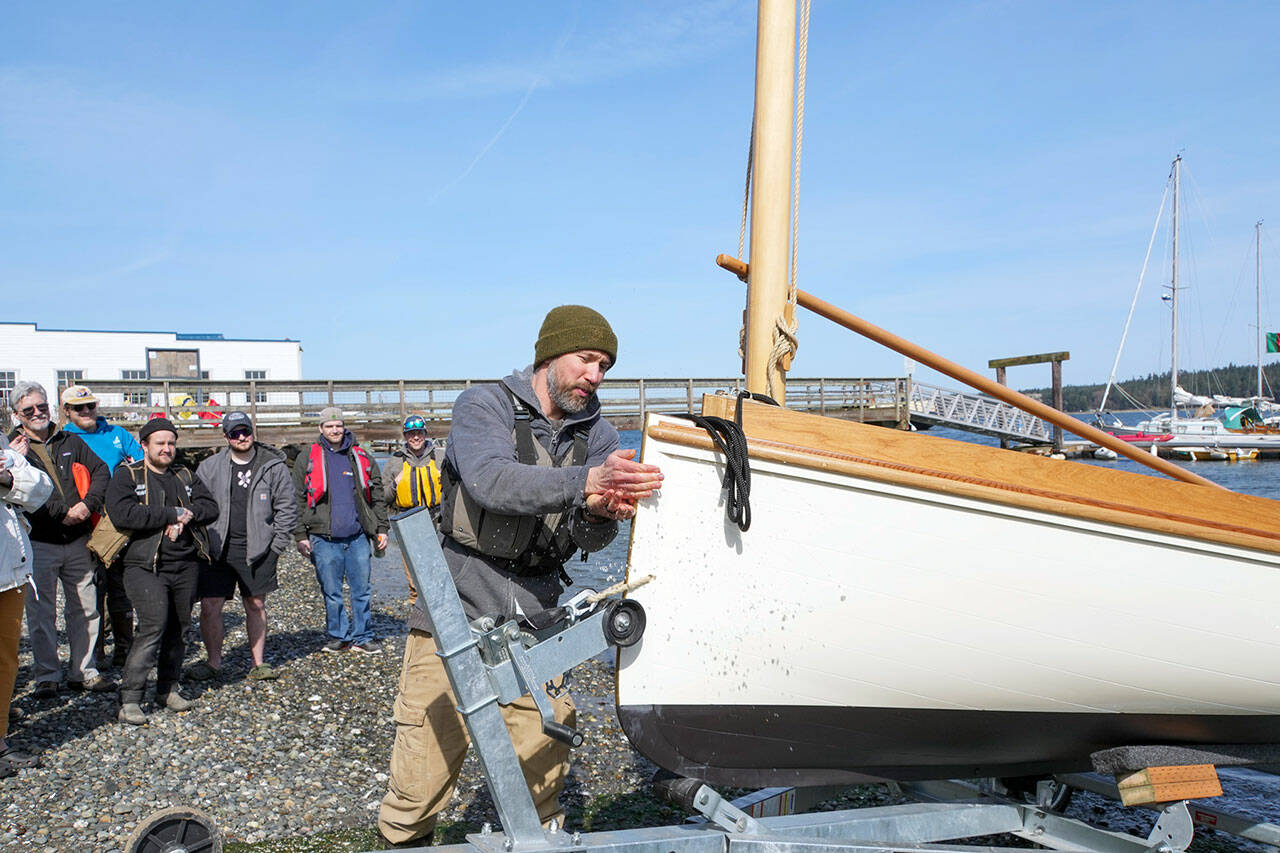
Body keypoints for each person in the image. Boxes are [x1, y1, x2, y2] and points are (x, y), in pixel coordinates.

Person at [377, 305, 664, 847]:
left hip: (538, 619)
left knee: (543, 761)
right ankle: (403, 842)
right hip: (453, 609)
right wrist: (587, 482)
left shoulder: (599, 434)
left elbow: (588, 538)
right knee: (421, 771)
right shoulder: (482, 404)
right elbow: (490, 482)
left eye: (605, 365)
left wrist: (603, 512)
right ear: (550, 355)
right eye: (586, 359)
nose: (595, 376)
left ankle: (539, 840)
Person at [105, 417, 218, 725]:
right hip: (144, 565)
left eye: (171, 443)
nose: (167, 449)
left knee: (179, 628)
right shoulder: (126, 475)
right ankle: (130, 698)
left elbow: (211, 507)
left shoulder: (184, 474)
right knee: (153, 626)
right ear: (144, 445)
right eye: (160, 443)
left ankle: (167, 688)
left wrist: (187, 515)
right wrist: (171, 513)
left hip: (185, 564)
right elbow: (123, 514)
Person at [7, 381, 114, 698]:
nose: (38, 413)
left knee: (85, 609)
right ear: (17, 414)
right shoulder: (12, 448)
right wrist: (60, 513)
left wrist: (88, 504)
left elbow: (101, 472)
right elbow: (16, 492)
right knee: (41, 615)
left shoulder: (70, 439)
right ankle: (47, 675)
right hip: (38, 541)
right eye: (29, 410)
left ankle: (84, 670)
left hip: (78, 539)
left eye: (42, 406)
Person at [192, 412, 297, 682]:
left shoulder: (273, 466)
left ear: (253, 431)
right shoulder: (209, 466)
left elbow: (287, 507)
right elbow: (196, 505)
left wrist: (277, 546)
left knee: (256, 604)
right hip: (217, 548)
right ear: (226, 436)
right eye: (235, 433)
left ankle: (258, 662)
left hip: (258, 548)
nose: (241, 437)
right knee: (210, 606)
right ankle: (214, 662)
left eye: (245, 431)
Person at [294, 408, 388, 655]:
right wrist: (300, 535)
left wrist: (381, 528)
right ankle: (339, 636)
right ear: (320, 429)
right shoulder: (308, 457)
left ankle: (363, 636)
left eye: (338, 425)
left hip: (357, 536)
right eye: (329, 426)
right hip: (323, 538)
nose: (335, 430)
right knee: (332, 592)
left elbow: (377, 494)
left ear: (344, 427)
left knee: (362, 591)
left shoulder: (360, 456)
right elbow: (297, 498)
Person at [60, 384, 142, 670]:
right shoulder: (65, 439)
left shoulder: (117, 434)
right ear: (67, 412)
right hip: (84, 522)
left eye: (90, 406)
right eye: (78, 408)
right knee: (91, 590)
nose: (86, 411)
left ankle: (125, 649)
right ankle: (95, 653)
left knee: (121, 587)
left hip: (118, 522)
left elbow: (142, 463)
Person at [0, 435, 52, 778]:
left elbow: (40, 488)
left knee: (5, 657)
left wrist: (6, 479)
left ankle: (0, 739)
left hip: (8, 571)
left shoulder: (3, 452)